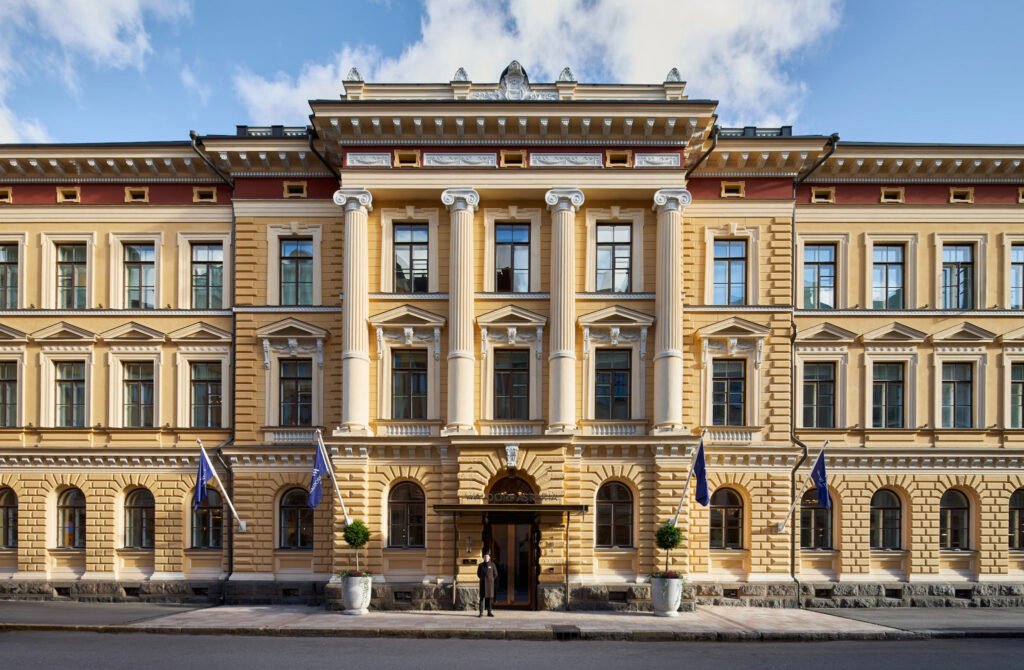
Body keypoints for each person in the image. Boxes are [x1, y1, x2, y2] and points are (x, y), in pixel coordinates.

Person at [477, 551, 497, 617]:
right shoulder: (481, 565)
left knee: (489, 599)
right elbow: (478, 574)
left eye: (487, 556)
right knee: (482, 599)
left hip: (489, 585)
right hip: (483, 584)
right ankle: (481, 613)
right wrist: (483, 579)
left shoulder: (492, 564)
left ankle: (489, 612)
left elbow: (495, 574)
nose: (486, 558)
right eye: (485, 556)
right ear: (483, 557)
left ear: (489, 557)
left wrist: (491, 579)